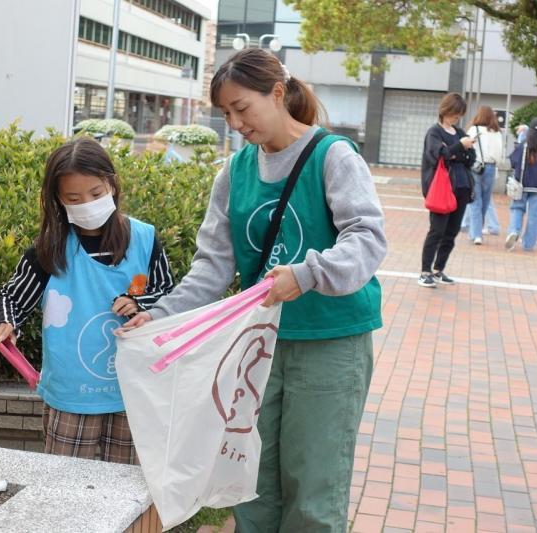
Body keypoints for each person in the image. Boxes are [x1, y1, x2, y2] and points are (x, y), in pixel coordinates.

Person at [123, 48, 386, 532]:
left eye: (242, 108)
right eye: (226, 114)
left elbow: (368, 240)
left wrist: (305, 274)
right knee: (252, 482)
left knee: (314, 489)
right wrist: (158, 318)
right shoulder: (235, 173)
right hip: (258, 343)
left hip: (330, 342)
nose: (235, 123)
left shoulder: (332, 156)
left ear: (278, 93)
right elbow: (212, 267)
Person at [0, 137, 175, 464]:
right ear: (58, 200)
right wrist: (5, 322)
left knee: (126, 491)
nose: (87, 204)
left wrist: (141, 304)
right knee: (65, 490)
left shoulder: (144, 239)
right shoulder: (50, 251)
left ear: (112, 185)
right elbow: (12, 298)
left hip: (134, 391)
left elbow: (169, 297)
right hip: (71, 395)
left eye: (96, 194)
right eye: (74, 197)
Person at [419, 93, 476, 288]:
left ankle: (438, 269)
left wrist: (454, 151)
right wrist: (459, 147)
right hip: (442, 189)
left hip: (461, 187)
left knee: (451, 232)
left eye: (459, 115)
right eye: (454, 114)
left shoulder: (459, 132)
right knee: (437, 231)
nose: (456, 118)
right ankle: (425, 271)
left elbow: (471, 157)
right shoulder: (434, 133)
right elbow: (438, 156)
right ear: (445, 111)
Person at [506, 116, 537, 251]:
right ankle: (528, 245)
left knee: (517, 209)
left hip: (521, 184)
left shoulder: (524, 144)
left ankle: (514, 231)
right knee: (535, 215)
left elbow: (513, 161)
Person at [466, 106, 504, 245]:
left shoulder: (474, 130)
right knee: (486, 201)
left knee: (475, 200)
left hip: (475, 167)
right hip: (491, 167)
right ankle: (477, 232)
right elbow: (500, 154)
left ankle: (476, 235)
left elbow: (466, 146)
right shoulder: (497, 133)